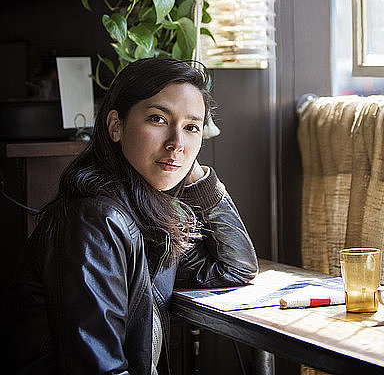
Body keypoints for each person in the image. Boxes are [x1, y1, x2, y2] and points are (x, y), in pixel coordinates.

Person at [5, 57, 258, 375]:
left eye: (191, 127)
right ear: (116, 126)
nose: (176, 143)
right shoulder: (97, 221)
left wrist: (197, 177)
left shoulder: (148, 218)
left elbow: (236, 268)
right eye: (158, 119)